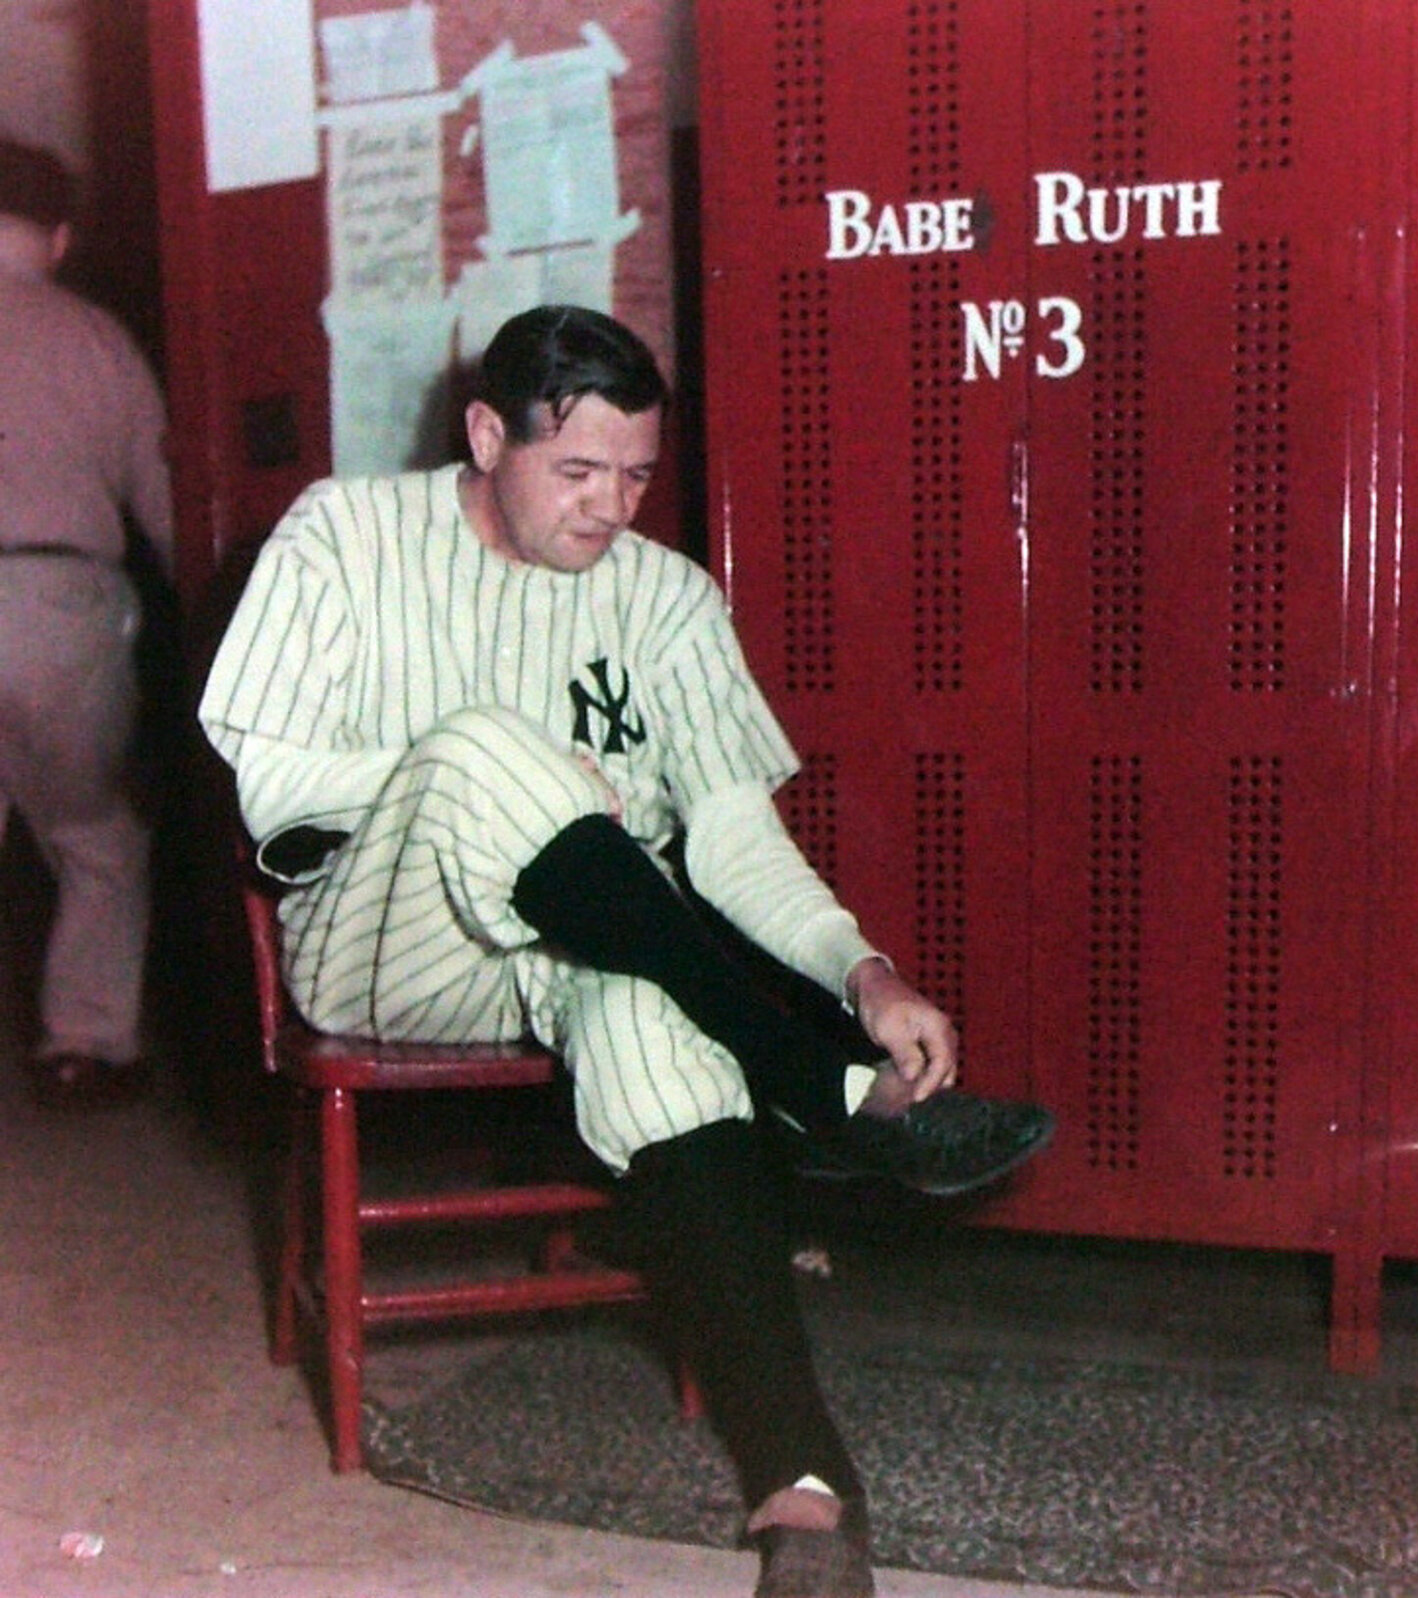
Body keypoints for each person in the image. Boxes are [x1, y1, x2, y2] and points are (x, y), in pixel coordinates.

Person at [199, 305, 1053, 1598]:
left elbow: (732, 835)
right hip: (388, 940)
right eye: (578, 470)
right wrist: (507, 773)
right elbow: (271, 782)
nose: (610, 506)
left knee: (658, 1026)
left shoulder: (665, 597)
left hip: (596, 937)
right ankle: (804, 1073)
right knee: (489, 745)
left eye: (637, 474)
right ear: (487, 435)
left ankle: (803, 1480)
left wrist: (862, 971)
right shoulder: (344, 532)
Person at [0, 137, 173, 1110]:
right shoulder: (98, 338)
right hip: (62, 603)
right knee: (97, 835)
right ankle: (85, 1044)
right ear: (59, 238)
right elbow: (165, 501)